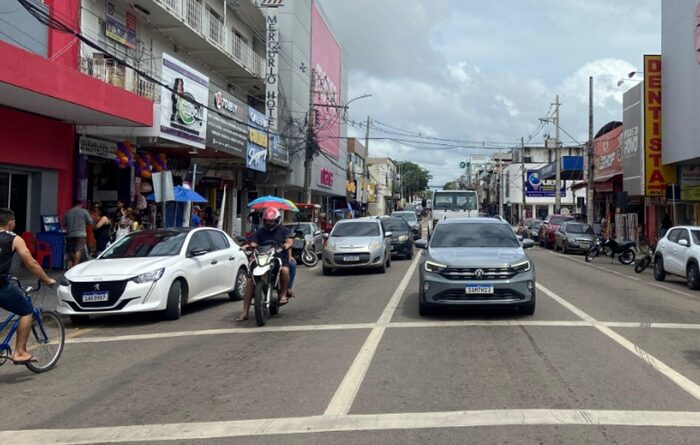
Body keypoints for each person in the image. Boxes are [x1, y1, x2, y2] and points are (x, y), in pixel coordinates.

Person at [0, 208, 56, 364]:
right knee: (26, 310)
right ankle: (19, 352)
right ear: (10, 222)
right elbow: (31, 263)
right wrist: (46, 279)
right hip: (1, 286)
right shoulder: (13, 238)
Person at [236, 208, 293, 322]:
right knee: (250, 281)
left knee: (285, 270)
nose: (269, 223)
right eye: (267, 221)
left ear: (277, 220)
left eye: (271, 221)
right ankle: (245, 312)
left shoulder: (283, 230)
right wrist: (249, 246)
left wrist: (286, 245)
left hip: (278, 257)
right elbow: (254, 242)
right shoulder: (260, 231)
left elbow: (289, 241)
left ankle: (282, 295)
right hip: (262, 257)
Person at [62, 200, 93, 268]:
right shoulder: (84, 211)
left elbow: (63, 224)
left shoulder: (67, 213)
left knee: (71, 250)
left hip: (70, 234)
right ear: (80, 204)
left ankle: (73, 263)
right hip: (81, 234)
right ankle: (75, 265)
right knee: (78, 249)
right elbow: (90, 222)